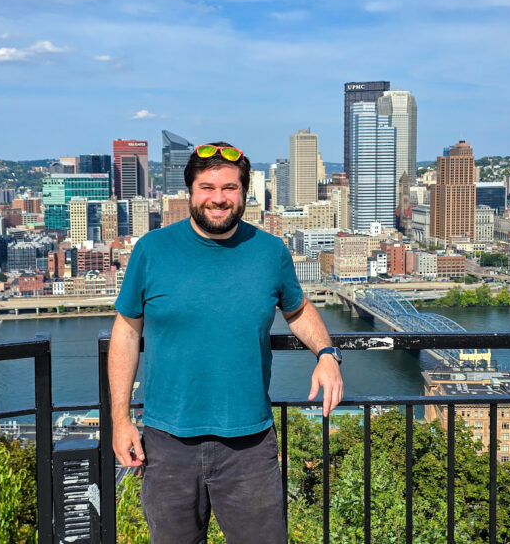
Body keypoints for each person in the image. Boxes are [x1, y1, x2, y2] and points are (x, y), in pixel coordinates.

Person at [109, 142, 344, 543]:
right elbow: (127, 332)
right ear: (190, 193)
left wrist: (326, 354)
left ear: (244, 193)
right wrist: (120, 420)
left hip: (249, 444)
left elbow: (298, 309)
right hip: (167, 443)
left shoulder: (269, 250)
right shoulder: (152, 250)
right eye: (207, 187)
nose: (218, 198)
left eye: (230, 188)